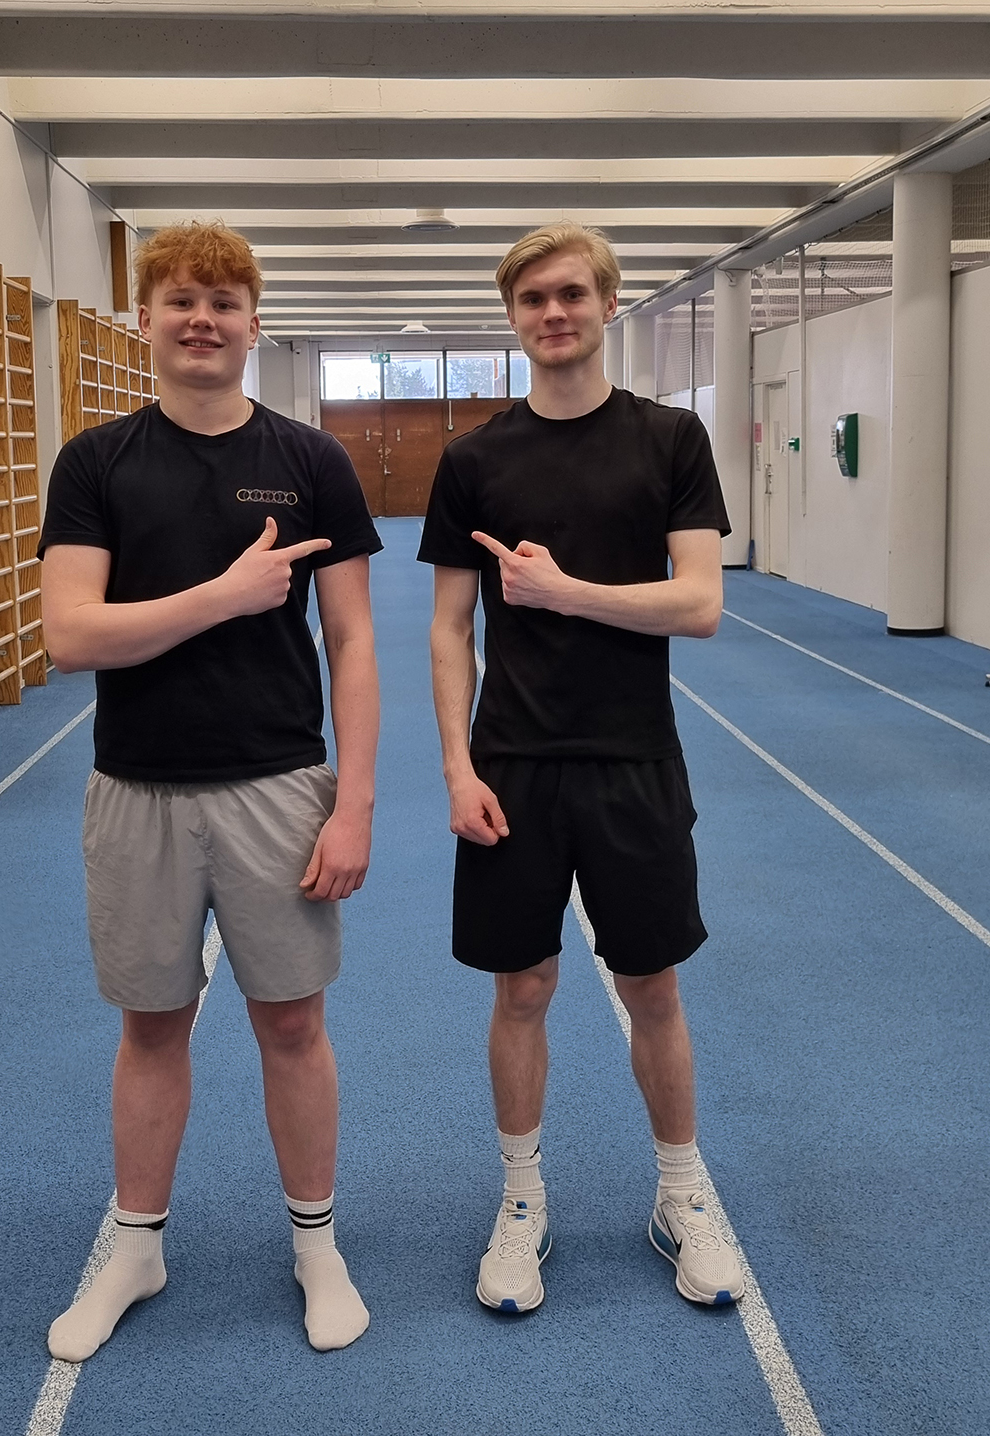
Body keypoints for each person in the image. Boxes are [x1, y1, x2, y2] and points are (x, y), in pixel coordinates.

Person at [39, 222, 381, 1359]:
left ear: (253, 323)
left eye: (225, 303)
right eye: (182, 300)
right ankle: (137, 1245)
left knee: (293, 1022)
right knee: (152, 1024)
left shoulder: (312, 458)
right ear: (144, 316)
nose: (203, 320)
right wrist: (222, 597)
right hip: (136, 787)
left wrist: (354, 802)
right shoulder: (96, 463)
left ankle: (317, 1245)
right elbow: (70, 635)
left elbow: (353, 642)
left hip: (277, 783)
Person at [418, 221, 745, 1313]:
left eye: (570, 294)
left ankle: (681, 1193)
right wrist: (457, 766)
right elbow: (449, 627)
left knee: (653, 985)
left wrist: (568, 593)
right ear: (512, 317)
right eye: (532, 299)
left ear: (608, 303)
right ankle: (522, 1201)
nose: (552, 313)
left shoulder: (670, 439)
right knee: (522, 987)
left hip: (633, 757)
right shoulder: (474, 460)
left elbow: (699, 603)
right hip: (513, 765)